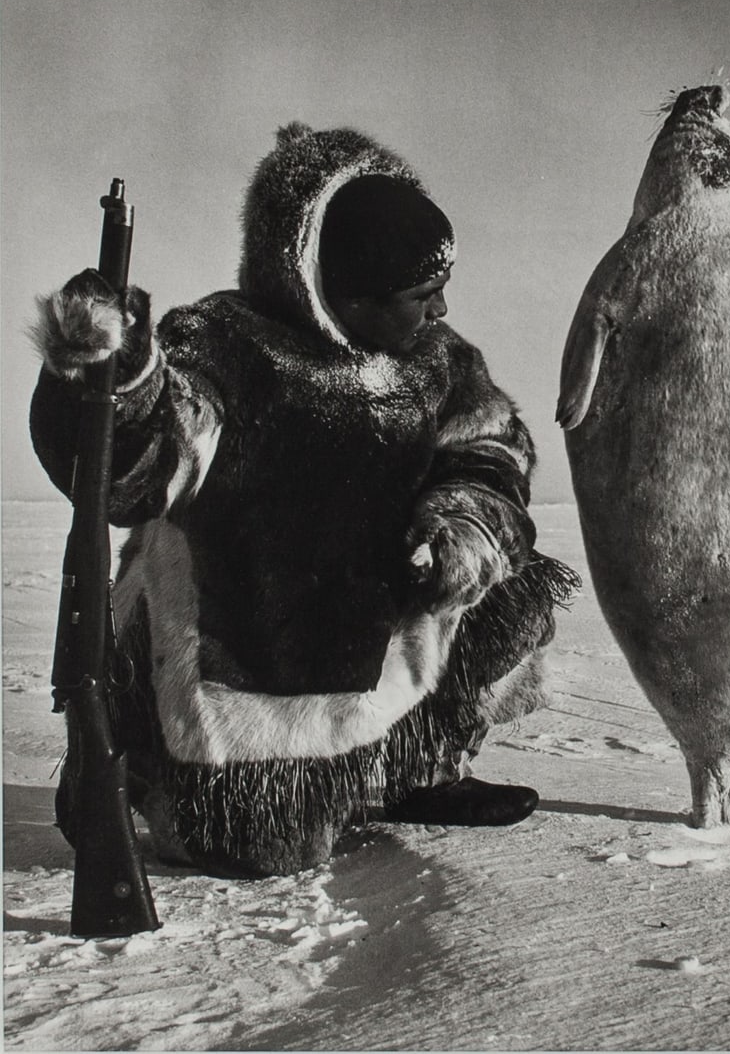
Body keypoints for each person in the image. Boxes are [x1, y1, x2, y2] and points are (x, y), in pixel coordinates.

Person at [30, 121, 580, 877]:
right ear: (346, 297)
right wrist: (118, 382)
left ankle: (417, 770)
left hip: (379, 628)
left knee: (518, 593)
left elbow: (490, 450)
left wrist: (467, 524)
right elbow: (141, 466)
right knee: (267, 852)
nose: (443, 310)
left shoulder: (435, 361)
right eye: (421, 294)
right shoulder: (226, 352)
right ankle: (145, 777)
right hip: (248, 668)